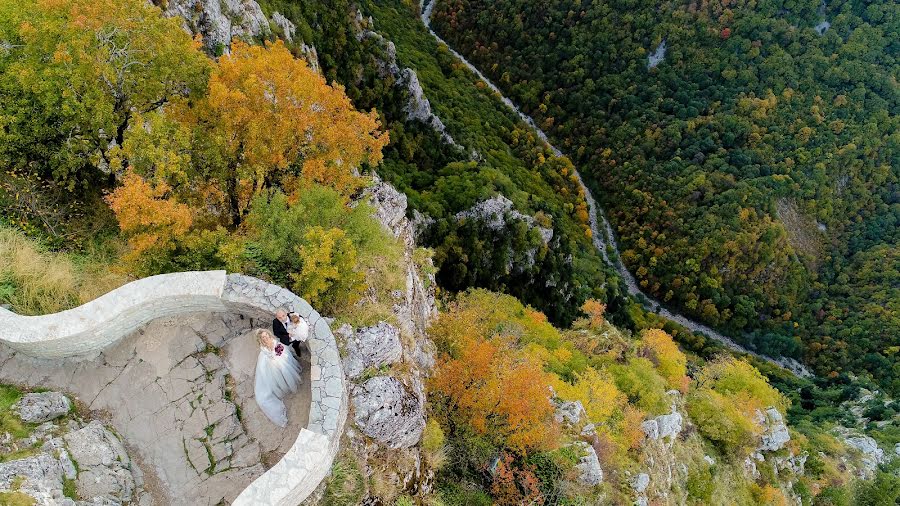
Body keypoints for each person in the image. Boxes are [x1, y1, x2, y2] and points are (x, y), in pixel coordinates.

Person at [253, 329, 302, 427]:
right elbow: (266, 356)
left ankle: (290, 383)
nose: (266, 338)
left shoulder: (275, 341)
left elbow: (281, 350)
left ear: (269, 335)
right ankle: (283, 386)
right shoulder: (263, 348)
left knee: (285, 370)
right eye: (263, 337)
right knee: (276, 375)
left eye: (266, 335)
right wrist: (272, 358)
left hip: (280, 360)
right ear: (261, 339)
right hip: (272, 365)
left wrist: (277, 356)